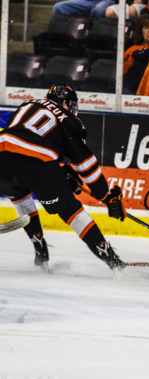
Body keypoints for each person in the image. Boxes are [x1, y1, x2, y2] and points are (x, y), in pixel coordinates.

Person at [0, 84, 126, 271]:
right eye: (72, 105)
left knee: (19, 192)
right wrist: (106, 196)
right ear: (65, 102)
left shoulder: (27, 104)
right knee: (71, 210)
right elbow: (86, 165)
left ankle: (40, 250)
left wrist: (57, 170)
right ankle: (114, 262)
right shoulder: (69, 120)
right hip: (37, 165)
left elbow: (23, 141)